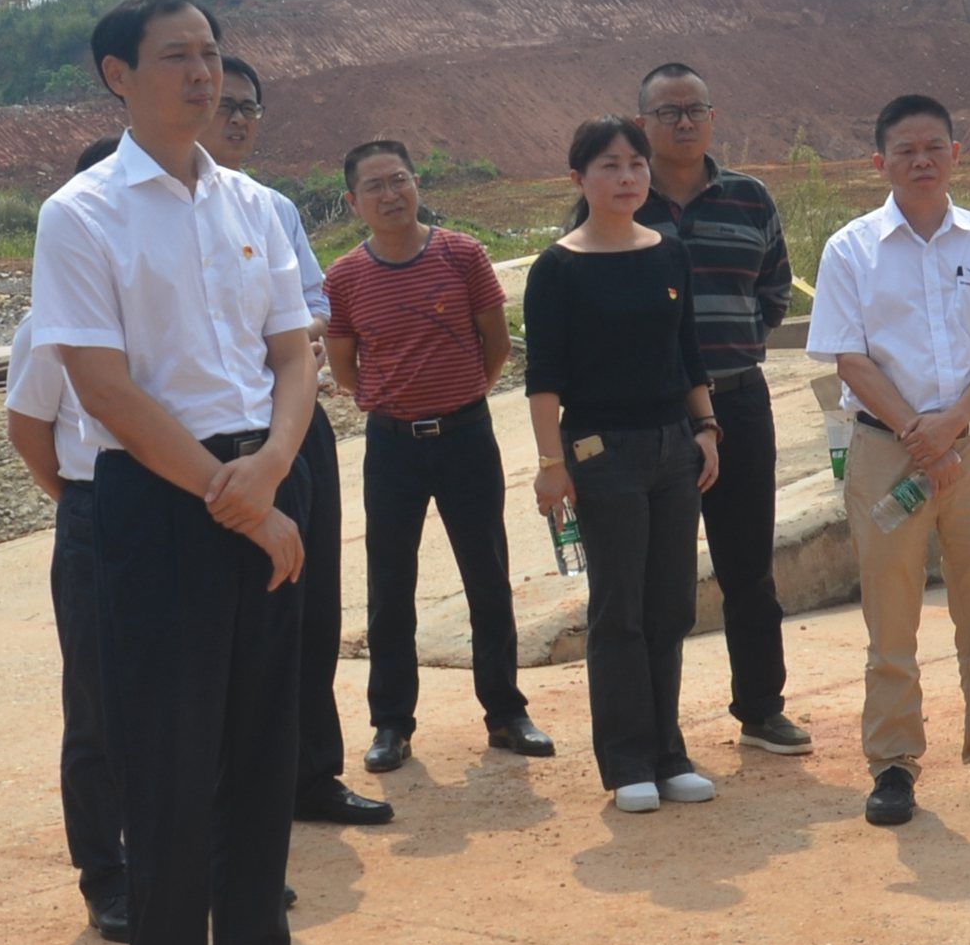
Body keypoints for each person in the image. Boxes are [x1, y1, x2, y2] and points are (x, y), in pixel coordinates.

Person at [30, 0, 365, 945]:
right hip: (155, 500)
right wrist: (233, 492)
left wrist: (271, 470)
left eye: (211, 54)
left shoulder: (258, 208)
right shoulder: (81, 215)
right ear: (116, 75)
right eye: (176, 56)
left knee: (265, 745)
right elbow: (99, 386)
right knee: (169, 761)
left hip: (263, 475)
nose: (202, 75)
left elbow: (296, 353)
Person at [806, 95, 970, 829]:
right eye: (905, 150)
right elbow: (848, 357)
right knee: (892, 619)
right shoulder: (851, 249)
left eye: (934, 147)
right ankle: (892, 765)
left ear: (956, 155)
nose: (921, 160)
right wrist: (918, 430)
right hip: (888, 453)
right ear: (879, 162)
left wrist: (950, 427)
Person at [322, 140, 548, 770]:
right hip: (392, 446)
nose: (391, 195)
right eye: (375, 186)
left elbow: (495, 342)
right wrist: (393, 396)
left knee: (487, 574)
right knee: (390, 583)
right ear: (353, 201)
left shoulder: (462, 253)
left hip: (466, 437)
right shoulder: (344, 275)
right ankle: (392, 723)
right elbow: (344, 367)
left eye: (400, 180)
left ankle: (506, 712)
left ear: (417, 184)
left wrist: (462, 395)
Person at [211, 56, 390, 827]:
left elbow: (316, 310)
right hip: (215, 435)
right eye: (225, 104)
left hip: (292, 422)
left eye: (250, 106)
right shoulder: (117, 209)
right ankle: (229, 800)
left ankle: (310, 775)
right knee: (225, 625)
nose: (238, 118)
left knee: (312, 607)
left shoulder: (268, 209)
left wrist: (292, 340)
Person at [524, 117, 720, 815]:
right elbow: (543, 379)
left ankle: (669, 751)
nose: (627, 177)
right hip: (600, 454)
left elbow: (688, 352)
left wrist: (706, 428)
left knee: (669, 606)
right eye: (609, 165)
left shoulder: (667, 254)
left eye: (636, 164)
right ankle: (627, 759)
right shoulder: (558, 269)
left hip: (674, 448)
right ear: (578, 179)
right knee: (619, 612)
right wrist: (551, 465)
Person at [626, 63, 806, 756]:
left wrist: (734, 345)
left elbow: (776, 289)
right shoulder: (621, 200)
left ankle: (761, 708)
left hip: (739, 404)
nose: (682, 122)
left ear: (712, 116)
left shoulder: (749, 198)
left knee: (749, 568)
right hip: (650, 417)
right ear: (642, 121)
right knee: (653, 581)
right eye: (667, 111)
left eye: (694, 109)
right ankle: (649, 727)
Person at [5, 276, 126, 941]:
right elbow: (28, 430)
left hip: (185, 507)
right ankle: (107, 875)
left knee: (190, 701)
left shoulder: (172, 307)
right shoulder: (51, 324)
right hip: (99, 506)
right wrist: (83, 504)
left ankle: (196, 864)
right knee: (98, 705)